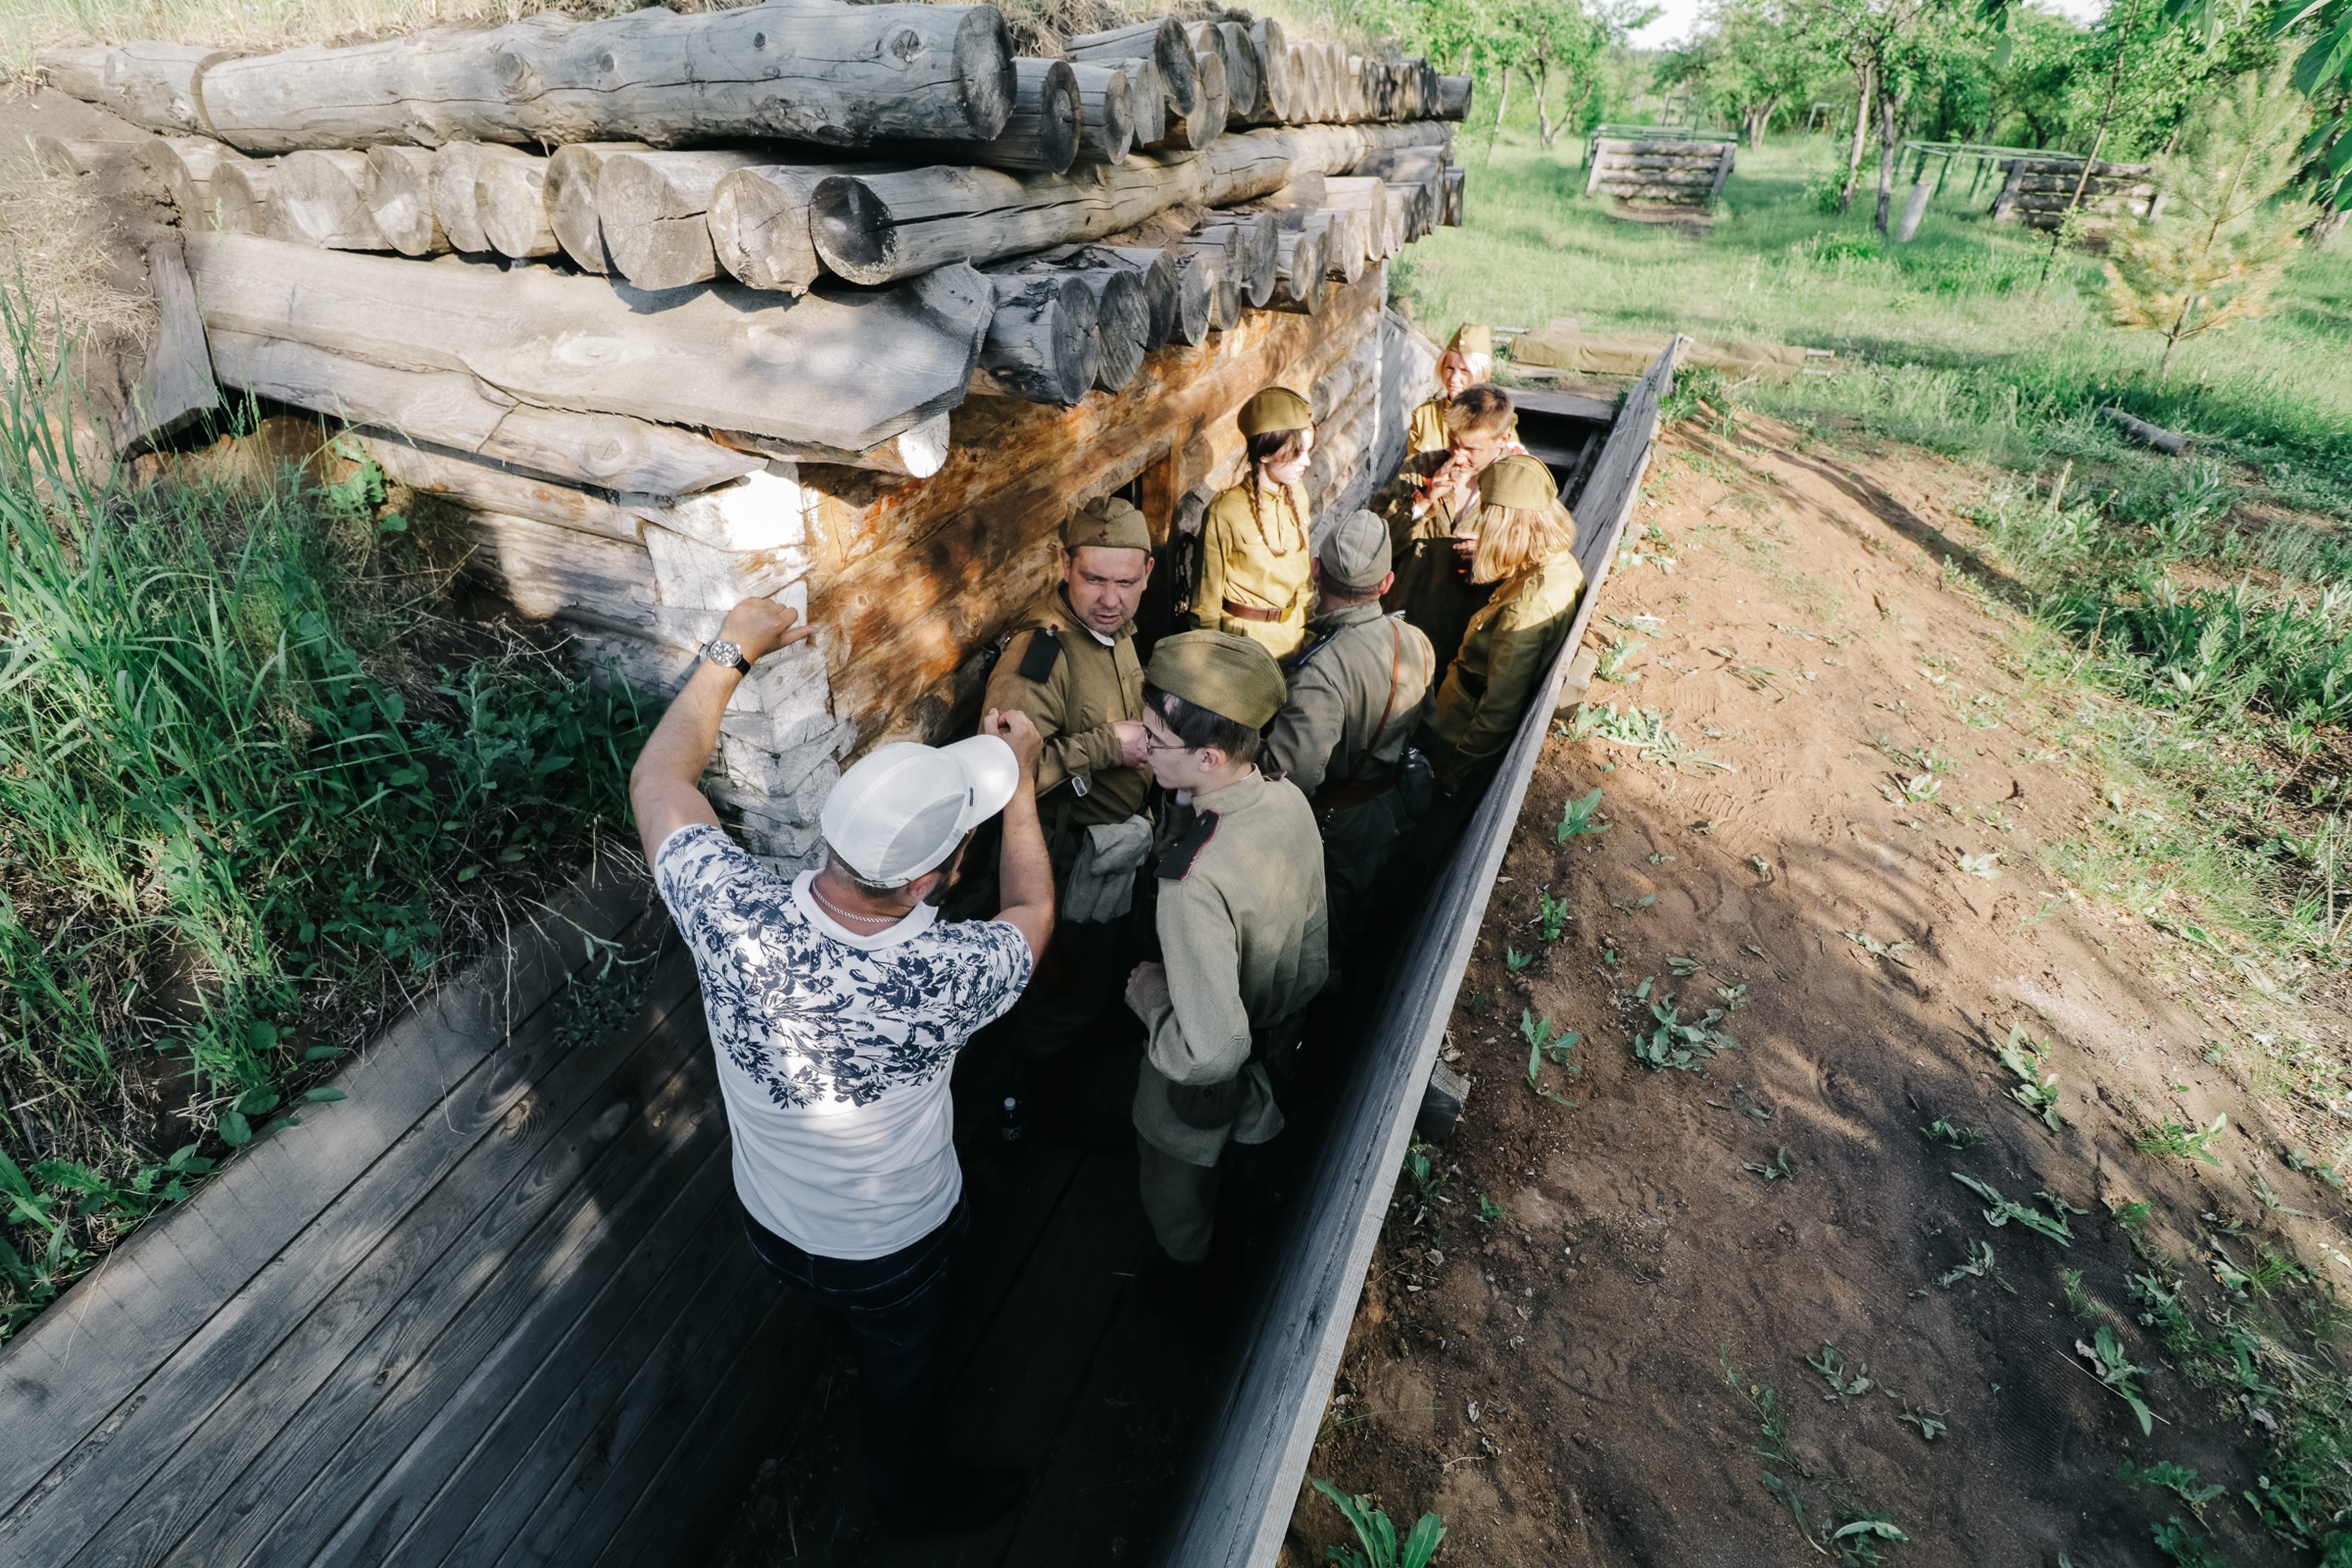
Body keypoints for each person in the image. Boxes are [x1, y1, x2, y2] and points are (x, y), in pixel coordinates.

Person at [628, 595, 1055, 1538]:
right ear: (923, 881)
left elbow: (660, 780)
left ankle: (853, 1361)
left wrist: (730, 649)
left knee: (845, 1325)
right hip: (897, 1247)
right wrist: (1020, 788)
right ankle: (906, 1499)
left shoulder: (728, 909)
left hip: (774, 1224)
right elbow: (1032, 915)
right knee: (904, 1374)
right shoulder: (951, 972)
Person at [1123, 630, 1328, 1284]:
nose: (1141, 746)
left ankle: (1188, 1290)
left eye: (1155, 739)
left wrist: (1151, 997)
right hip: (1284, 1040)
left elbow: (1210, 1051)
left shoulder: (1190, 882)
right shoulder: (1286, 798)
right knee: (1239, 1175)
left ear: (1209, 757)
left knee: (1175, 1202)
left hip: (1210, 1079)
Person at [981, 497, 1155, 1104]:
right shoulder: (1040, 658)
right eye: (1094, 579)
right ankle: (1044, 1105)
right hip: (1063, 865)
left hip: (1108, 856)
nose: (1110, 598)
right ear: (1064, 565)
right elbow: (999, 776)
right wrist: (1106, 746)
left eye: (1125, 582)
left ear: (1148, 575)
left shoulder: (1115, 631)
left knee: (1094, 977)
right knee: (1062, 997)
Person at [1263, 511, 1437, 951]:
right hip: (1390, 810)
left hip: (1335, 828)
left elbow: (1291, 778)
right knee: (1361, 910)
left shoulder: (1321, 669)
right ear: (1386, 584)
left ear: (1316, 570)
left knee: (1323, 934)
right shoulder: (1413, 638)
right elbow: (1428, 725)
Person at [1424, 454, 1586, 793]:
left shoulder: (1529, 607)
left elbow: (1499, 709)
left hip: (1459, 731)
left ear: (1509, 527)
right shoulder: (1558, 564)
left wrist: (1457, 770)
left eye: (1489, 521)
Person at [1375, 382, 1521, 670]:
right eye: (1453, 443)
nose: (1457, 456)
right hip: (1405, 619)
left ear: (1502, 438)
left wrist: (1494, 553)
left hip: (1466, 632)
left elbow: (1537, 559)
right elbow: (1378, 541)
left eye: (1471, 449)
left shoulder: (1517, 488)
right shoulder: (1420, 468)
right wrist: (1424, 502)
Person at [1193, 385, 1316, 662]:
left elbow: (1304, 581)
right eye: (1297, 452)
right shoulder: (1224, 512)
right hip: (1244, 649)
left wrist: (1308, 637)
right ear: (1264, 453)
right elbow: (1205, 607)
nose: (1306, 461)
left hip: (1295, 640)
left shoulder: (1298, 494)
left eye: (1309, 450)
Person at [1405, 323, 1497, 456]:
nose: (1454, 378)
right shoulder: (1424, 415)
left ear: (1482, 375)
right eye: (1449, 368)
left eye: (1465, 370)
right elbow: (1412, 470)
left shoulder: (1498, 417)